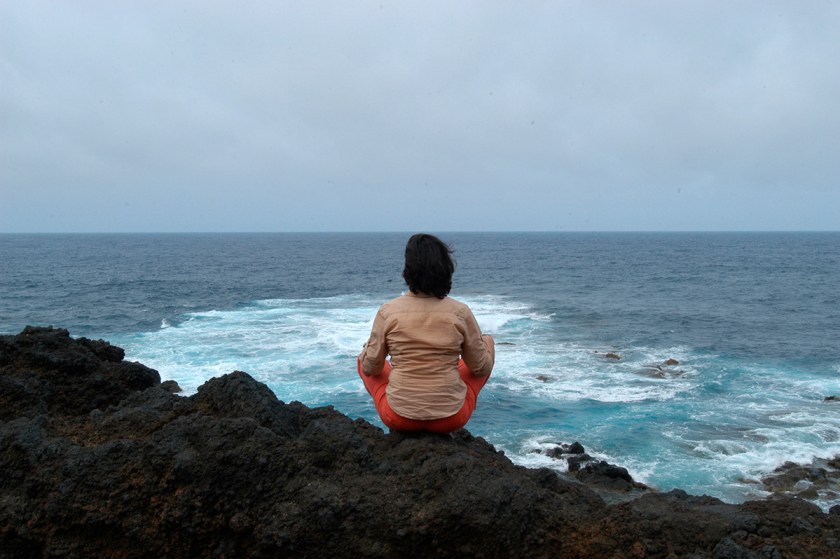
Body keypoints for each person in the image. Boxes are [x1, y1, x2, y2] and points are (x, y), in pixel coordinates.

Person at [358, 233, 495, 433]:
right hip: (451, 418)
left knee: (363, 360)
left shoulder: (388, 311)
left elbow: (371, 368)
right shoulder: (460, 312)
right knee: (487, 342)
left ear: (408, 270)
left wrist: (367, 350)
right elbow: (481, 368)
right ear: (446, 269)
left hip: (398, 417)